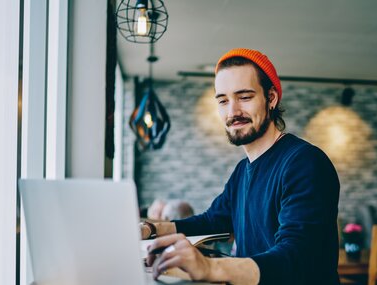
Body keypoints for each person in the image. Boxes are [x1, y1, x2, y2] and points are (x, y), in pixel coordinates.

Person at [143, 48, 341, 284]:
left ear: (271, 98)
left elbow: (296, 256)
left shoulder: (305, 163)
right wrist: (151, 230)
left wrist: (211, 267)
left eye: (244, 97)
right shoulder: (241, 172)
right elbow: (211, 221)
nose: (233, 112)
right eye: (223, 101)